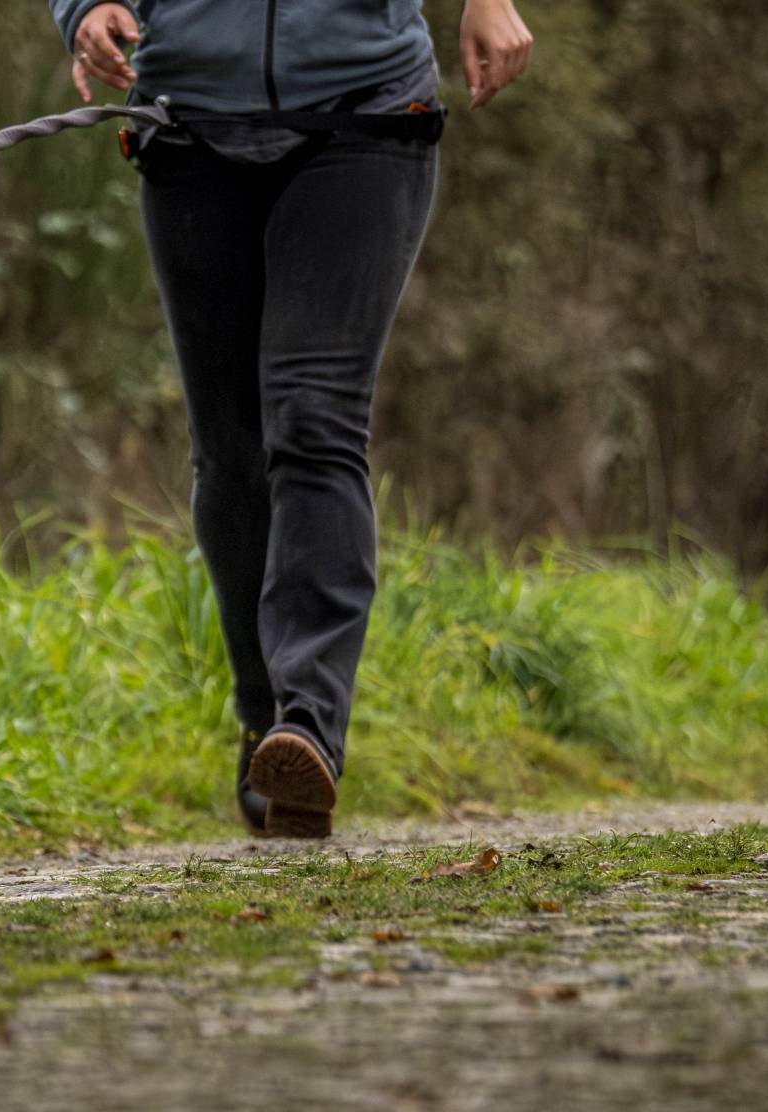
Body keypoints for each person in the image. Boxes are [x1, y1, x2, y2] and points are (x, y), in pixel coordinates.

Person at [48, 0, 532, 837]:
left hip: (365, 109)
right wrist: (85, 8)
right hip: (190, 121)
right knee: (230, 452)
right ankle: (264, 712)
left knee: (314, 419)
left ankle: (307, 724)